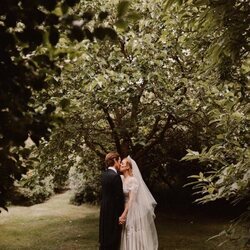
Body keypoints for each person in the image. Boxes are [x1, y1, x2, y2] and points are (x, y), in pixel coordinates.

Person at [119, 156, 158, 250]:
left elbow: (132, 200)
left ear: (128, 167)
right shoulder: (121, 178)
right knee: (126, 232)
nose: (120, 164)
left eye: (122, 164)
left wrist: (124, 214)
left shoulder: (133, 180)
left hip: (132, 209)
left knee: (133, 233)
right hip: (124, 207)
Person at [99, 152, 125, 250]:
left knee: (105, 236)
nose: (120, 163)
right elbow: (119, 198)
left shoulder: (104, 174)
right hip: (113, 211)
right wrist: (121, 215)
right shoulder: (115, 176)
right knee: (113, 238)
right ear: (114, 160)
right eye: (119, 161)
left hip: (104, 209)